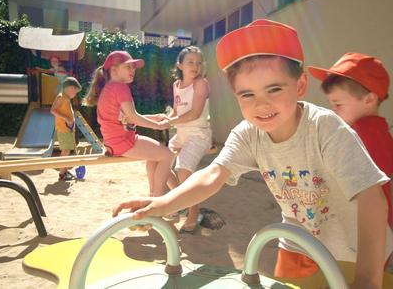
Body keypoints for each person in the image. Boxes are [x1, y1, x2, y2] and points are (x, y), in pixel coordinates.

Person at [112, 20, 393, 288]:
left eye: (274, 89)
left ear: (301, 86)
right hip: (298, 242)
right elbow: (213, 175)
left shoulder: (325, 128)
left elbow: (372, 198)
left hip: (358, 250)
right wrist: (164, 203)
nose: (262, 104)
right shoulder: (249, 133)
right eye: (247, 95)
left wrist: (368, 279)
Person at [308, 53, 393, 231]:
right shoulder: (378, 131)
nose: (334, 112)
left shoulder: (362, 135)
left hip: (368, 230)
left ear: (369, 99)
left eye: (338, 105)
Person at [84, 50, 174, 198]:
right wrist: (159, 126)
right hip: (123, 142)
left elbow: (127, 118)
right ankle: (158, 199)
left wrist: (155, 117)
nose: (133, 70)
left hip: (115, 142)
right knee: (167, 156)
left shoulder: (110, 88)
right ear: (114, 70)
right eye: (128, 67)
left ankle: (153, 197)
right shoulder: (120, 87)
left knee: (156, 156)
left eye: (133, 67)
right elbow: (133, 117)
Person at [165, 46, 212, 234]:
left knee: (183, 171)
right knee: (159, 163)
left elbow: (195, 113)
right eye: (190, 62)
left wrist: (170, 122)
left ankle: (193, 211)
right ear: (180, 65)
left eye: (199, 62)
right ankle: (180, 201)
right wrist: (163, 118)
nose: (196, 66)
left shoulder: (201, 83)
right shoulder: (176, 86)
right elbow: (175, 113)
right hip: (181, 134)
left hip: (198, 134)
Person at [50, 77, 81, 181]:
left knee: (67, 150)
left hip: (68, 128)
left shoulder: (66, 98)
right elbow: (53, 110)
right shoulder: (61, 97)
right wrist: (67, 118)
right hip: (63, 129)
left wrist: (71, 121)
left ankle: (64, 170)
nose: (75, 94)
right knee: (66, 151)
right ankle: (62, 174)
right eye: (75, 92)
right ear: (70, 88)